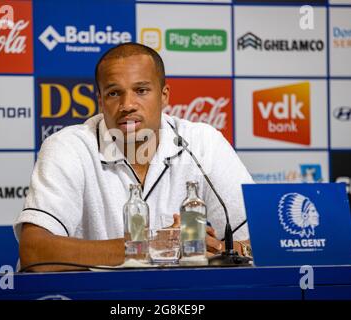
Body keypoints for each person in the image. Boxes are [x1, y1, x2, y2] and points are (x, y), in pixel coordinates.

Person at [14, 42, 254, 272]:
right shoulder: (68, 147)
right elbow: (35, 252)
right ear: (100, 101)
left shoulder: (203, 142)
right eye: (114, 93)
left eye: (141, 90)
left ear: (164, 95)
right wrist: (157, 247)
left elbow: (262, 242)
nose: (127, 104)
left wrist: (216, 250)